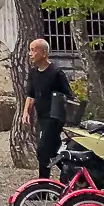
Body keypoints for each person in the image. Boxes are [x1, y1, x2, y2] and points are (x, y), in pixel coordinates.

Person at [22, 37, 70, 179]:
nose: (30, 54)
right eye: (29, 50)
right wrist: (26, 113)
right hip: (42, 116)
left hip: (54, 117)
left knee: (42, 150)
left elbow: (69, 96)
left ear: (44, 53)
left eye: (33, 50)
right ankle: (70, 172)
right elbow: (31, 95)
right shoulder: (33, 73)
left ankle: (43, 185)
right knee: (53, 150)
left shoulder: (56, 73)